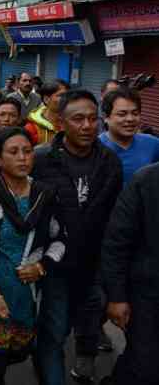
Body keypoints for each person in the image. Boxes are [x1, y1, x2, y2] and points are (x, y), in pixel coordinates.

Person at [32, 89, 122, 385]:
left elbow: (112, 215)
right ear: (60, 123)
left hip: (95, 264)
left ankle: (84, 368)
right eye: (78, 119)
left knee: (91, 323)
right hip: (55, 265)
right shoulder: (41, 160)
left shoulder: (109, 161)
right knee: (54, 332)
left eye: (92, 119)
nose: (87, 126)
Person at [0, 127, 67, 385]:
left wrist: (41, 266)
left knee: (24, 350)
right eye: (13, 152)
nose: (22, 158)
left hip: (30, 292)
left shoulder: (44, 194)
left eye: (27, 151)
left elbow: (60, 239)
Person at [101, 162, 159, 385]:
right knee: (146, 366)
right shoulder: (146, 180)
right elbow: (116, 242)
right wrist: (116, 296)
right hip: (147, 296)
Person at [99, 88, 159, 187]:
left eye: (135, 113)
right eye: (122, 114)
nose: (130, 119)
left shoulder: (153, 144)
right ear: (106, 117)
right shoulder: (94, 148)